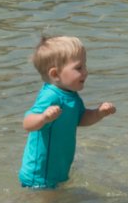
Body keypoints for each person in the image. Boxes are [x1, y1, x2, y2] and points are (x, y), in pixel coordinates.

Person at [18, 34, 116, 191]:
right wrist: (43, 117)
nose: (85, 72)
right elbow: (27, 123)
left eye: (85, 66)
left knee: (59, 202)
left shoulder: (71, 95)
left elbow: (80, 118)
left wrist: (98, 113)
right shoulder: (51, 96)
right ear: (55, 74)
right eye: (79, 68)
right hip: (39, 175)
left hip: (58, 171)